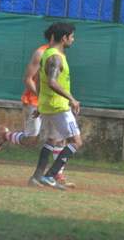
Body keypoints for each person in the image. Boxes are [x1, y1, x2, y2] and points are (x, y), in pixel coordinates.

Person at [0, 25, 74, 187]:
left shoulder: (58, 54)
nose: (71, 39)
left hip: (52, 104)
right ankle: (6, 136)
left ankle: (56, 175)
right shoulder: (41, 53)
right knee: (32, 139)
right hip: (34, 101)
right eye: (69, 36)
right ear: (55, 37)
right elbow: (28, 79)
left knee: (59, 139)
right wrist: (41, 97)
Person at [29, 22, 82, 191]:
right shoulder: (56, 57)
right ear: (64, 38)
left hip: (47, 106)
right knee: (76, 141)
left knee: (51, 140)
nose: (73, 39)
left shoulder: (47, 54)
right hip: (59, 107)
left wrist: (40, 103)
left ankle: (36, 177)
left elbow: (38, 79)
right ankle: (50, 176)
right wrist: (72, 99)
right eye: (72, 36)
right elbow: (51, 82)